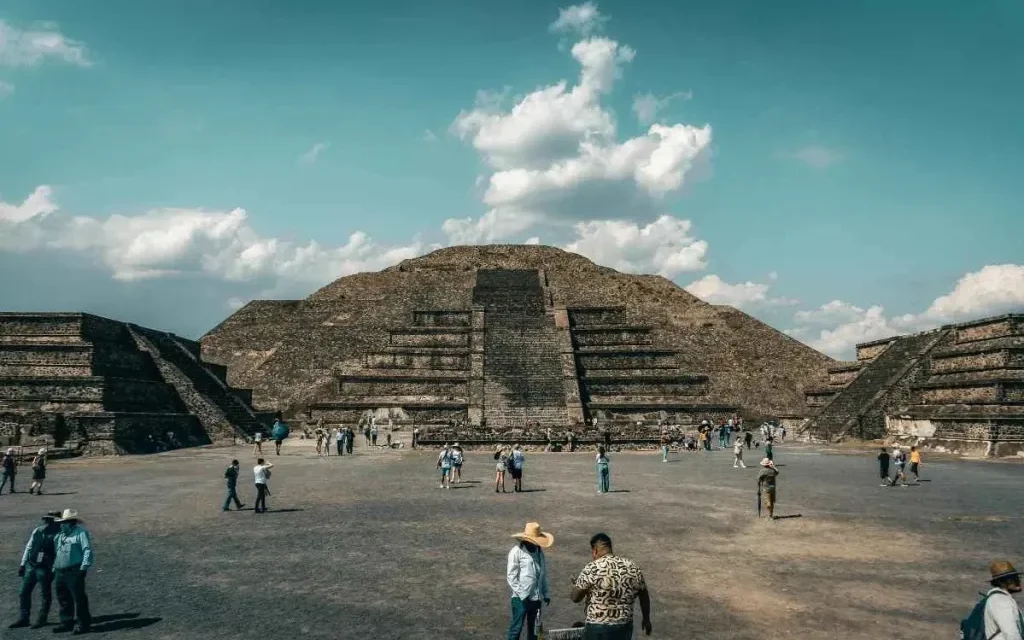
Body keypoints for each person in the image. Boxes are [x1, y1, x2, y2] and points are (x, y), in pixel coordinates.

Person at [571, 532, 652, 639]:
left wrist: (576, 586)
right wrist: (646, 619)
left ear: (595, 550)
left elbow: (575, 598)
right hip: (623, 628)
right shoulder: (632, 567)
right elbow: (644, 595)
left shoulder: (591, 568)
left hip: (597, 628)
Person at [9, 511, 61, 629]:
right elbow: (29, 547)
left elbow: (59, 553)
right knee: (24, 592)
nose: (47, 522)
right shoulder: (37, 531)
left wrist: (54, 568)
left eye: (50, 520)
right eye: (47, 520)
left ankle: (41, 619)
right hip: (31, 566)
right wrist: (23, 564)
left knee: (44, 594)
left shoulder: (59, 535)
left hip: (45, 568)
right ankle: (24, 618)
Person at [506, 522, 553, 640]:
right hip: (520, 599)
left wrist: (546, 593)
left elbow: (542, 575)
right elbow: (511, 576)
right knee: (516, 629)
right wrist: (523, 594)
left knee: (534, 631)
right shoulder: (516, 552)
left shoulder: (539, 552)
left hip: (536, 599)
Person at [51, 509, 93, 634]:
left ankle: (83, 624)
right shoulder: (60, 536)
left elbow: (87, 550)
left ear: (70, 523)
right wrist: (55, 567)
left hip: (74, 571)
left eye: (63, 523)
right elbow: (57, 553)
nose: (60, 525)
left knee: (79, 598)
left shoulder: (80, 533)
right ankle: (66, 622)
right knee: (63, 598)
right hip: (60, 571)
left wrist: (84, 567)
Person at [983, 561, 1024, 640]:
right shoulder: (1001, 602)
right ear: (1002, 582)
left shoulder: (999, 599)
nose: (1018, 581)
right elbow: (1011, 633)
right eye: (1013, 579)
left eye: (1017, 577)